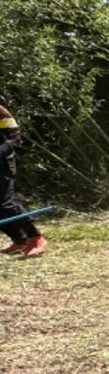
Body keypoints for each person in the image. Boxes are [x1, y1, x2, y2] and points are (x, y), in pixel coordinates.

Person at [1, 104, 45, 258]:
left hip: (2, 166)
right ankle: (19, 241)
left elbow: (14, 138)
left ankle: (36, 239)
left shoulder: (1, 113)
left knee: (5, 204)